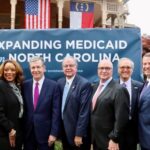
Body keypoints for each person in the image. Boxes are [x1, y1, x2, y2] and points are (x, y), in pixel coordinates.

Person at [22, 56, 61, 150]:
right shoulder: (24, 85)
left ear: (44, 68)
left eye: (38, 67)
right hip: (28, 134)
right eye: (33, 67)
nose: (35, 70)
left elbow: (56, 112)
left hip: (46, 134)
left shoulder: (53, 86)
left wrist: (53, 133)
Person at [91, 59, 129, 150]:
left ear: (112, 70)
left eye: (107, 68)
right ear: (97, 70)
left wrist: (114, 139)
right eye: (101, 68)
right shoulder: (94, 87)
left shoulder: (119, 90)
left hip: (109, 142)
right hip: (96, 140)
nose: (104, 71)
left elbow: (121, 118)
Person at [57, 56, 92, 150]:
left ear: (76, 68)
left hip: (78, 134)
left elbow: (84, 113)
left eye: (71, 65)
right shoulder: (60, 82)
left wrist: (79, 134)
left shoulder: (84, 84)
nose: (68, 68)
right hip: (64, 131)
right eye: (65, 66)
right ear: (62, 68)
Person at [118, 57, 143, 150]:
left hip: (132, 132)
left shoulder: (140, 86)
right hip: (115, 132)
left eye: (128, 67)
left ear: (132, 70)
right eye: (122, 67)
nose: (125, 70)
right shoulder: (112, 86)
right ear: (118, 69)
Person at [0, 59, 24, 150]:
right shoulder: (1, 85)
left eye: (12, 70)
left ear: (17, 71)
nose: (9, 72)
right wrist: (10, 129)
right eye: (6, 70)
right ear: (2, 71)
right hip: (5, 134)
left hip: (17, 132)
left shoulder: (17, 86)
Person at [139, 52, 150, 150]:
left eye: (149, 63)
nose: (146, 66)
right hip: (144, 137)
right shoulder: (145, 84)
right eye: (144, 64)